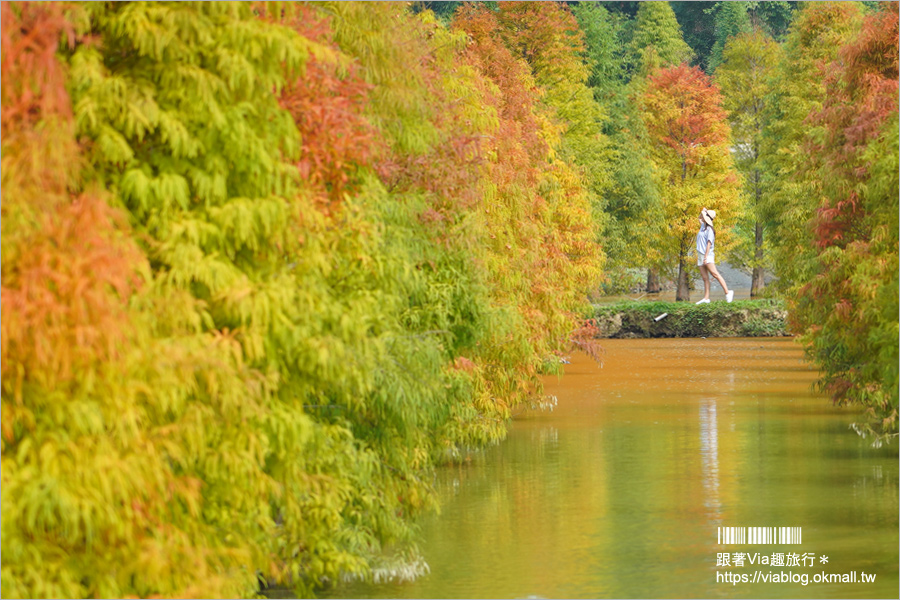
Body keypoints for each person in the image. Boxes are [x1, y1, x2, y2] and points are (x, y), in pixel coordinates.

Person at [695, 208, 733, 304]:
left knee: (715, 274)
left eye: (704, 216)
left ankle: (728, 293)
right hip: (700, 254)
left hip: (707, 255)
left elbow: (709, 243)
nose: (702, 218)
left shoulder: (710, 230)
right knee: (705, 277)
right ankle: (706, 298)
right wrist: (703, 211)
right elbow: (699, 218)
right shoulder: (703, 226)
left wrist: (705, 257)